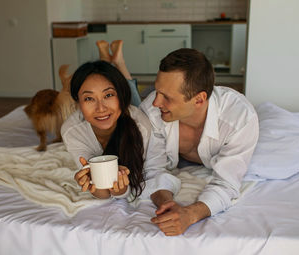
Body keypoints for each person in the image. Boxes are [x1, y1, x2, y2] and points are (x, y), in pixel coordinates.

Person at [139, 48, 259, 236]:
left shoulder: (240, 118)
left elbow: (227, 184)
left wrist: (190, 215)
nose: (157, 102)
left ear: (199, 99)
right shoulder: (151, 110)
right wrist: (167, 206)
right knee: (129, 108)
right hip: (175, 152)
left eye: (167, 98)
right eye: (158, 91)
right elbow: (153, 170)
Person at [62, 40, 180, 200]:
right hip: (123, 112)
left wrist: (120, 190)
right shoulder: (73, 130)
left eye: (108, 95)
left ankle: (114, 61)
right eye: (89, 98)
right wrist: (91, 184)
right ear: (78, 103)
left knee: (135, 101)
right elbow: (102, 192)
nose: (100, 108)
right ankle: (111, 60)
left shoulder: (141, 125)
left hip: (131, 114)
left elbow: (144, 178)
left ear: (120, 97)